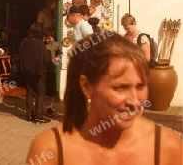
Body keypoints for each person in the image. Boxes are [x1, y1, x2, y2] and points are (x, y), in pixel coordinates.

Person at [26, 32, 182, 164]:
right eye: (120, 88)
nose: (135, 101)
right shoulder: (51, 150)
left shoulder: (165, 147)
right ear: (86, 87)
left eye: (140, 86)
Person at [18, 23, 50, 123]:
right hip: (38, 72)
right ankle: (38, 115)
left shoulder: (23, 42)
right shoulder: (40, 44)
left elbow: (19, 55)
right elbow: (46, 58)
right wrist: (43, 67)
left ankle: (28, 114)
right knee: (40, 93)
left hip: (27, 72)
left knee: (30, 93)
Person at [43, 27, 62, 117]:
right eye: (46, 37)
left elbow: (60, 54)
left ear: (52, 36)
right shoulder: (41, 44)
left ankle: (49, 107)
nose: (47, 40)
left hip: (52, 69)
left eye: (49, 38)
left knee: (51, 90)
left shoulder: (56, 45)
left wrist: (57, 60)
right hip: (42, 70)